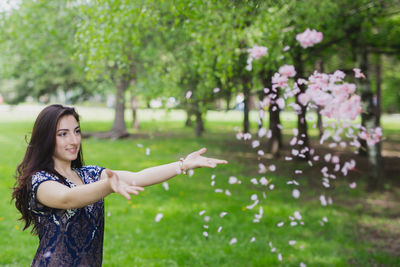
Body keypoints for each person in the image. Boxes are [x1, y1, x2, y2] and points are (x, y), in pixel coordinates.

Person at [12, 104, 227, 266]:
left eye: (77, 131)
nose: (74, 140)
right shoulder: (40, 181)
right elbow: (67, 198)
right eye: (63, 134)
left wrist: (182, 165)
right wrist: (108, 186)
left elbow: (139, 176)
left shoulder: (90, 174)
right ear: (47, 138)